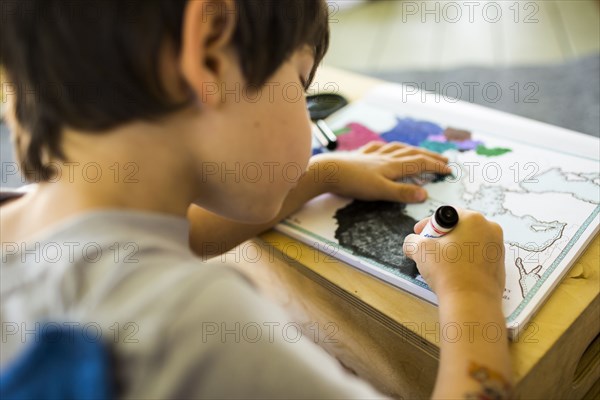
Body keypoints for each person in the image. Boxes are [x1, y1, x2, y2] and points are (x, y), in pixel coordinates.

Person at [0, 0, 512, 398]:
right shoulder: (188, 323)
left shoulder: (23, 217)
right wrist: (474, 298)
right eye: (300, 81)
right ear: (208, 49)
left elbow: (190, 233)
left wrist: (322, 172)